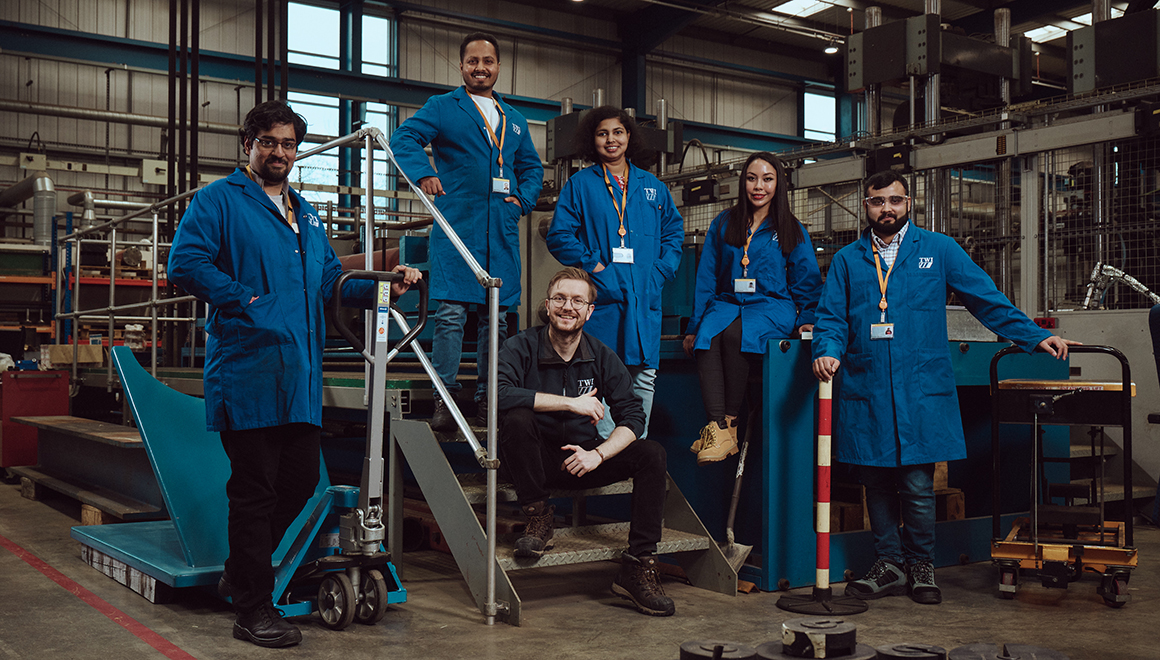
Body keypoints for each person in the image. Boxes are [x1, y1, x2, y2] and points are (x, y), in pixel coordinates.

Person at [169, 100, 420, 648]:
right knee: (254, 492)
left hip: (299, 373)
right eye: (269, 142)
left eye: (288, 144)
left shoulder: (304, 211)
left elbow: (330, 280)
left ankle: (241, 573)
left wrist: (382, 287)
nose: (279, 152)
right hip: (249, 367)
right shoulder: (218, 201)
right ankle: (252, 607)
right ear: (248, 145)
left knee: (303, 481)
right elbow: (185, 263)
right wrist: (246, 300)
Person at [810, 169, 1077, 605]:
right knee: (875, 483)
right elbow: (831, 319)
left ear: (908, 202)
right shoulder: (846, 260)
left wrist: (1031, 334)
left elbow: (984, 297)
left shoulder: (938, 250)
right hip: (868, 386)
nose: (887, 209)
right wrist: (827, 349)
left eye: (895, 201)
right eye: (878, 202)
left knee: (916, 484)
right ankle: (889, 563)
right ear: (866, 206)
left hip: (920, 390)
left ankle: (920, 565)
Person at [495, 267, 674, 617]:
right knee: (517, 417)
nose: (568, 306)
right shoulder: (521, 346)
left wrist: (599, 455)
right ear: (547, 306)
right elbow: (497, 395)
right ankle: (538, 517)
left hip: (582, 459)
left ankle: (638, 564)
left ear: (590, 311)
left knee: (652, 453)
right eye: (560, 298)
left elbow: (634, 418)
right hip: (533, 463)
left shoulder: (602, 355)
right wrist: (570, 403)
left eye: (578, 300)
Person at [389, 31, 544, 431]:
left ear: (498, 66)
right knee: (452, 314)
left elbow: (531, 167)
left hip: (501, 229)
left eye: (488, 61)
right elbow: (404, 137)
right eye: (472, 61)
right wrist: (423, 173)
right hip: (457, 223)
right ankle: (445, 398)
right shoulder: (443, 107)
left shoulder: (514, 120)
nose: (480, 67)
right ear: (461, 66)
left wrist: (522, 202)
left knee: (499, 318)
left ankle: (489, 398)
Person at [547, 106, 684, 441]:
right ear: (592, 141)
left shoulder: (652, 187)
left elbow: (673, 234)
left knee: (643, 378)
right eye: (602, 133)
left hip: (645, 298)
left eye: (618, 132)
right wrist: (594, 265)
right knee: (601, 376)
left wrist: (660, 271)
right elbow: (559, 235)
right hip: (606, 298)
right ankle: (605, 452)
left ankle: (634, 447)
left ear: (629, 137)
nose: (611, 140)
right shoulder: (581, 185)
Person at [682, 152, 822, 465]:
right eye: (752, 178)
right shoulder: (724, 222)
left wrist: (807, 319)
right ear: (743, 181)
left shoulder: (790, 228)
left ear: (779, 184)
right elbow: (706, 277)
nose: (759, 186)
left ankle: (728, 421)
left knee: (737, 334)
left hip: (771, 305)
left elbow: (808, 281)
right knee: (707, 336)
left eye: (767, 179)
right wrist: (694, 326)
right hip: (727, 302)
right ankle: (719, 428)